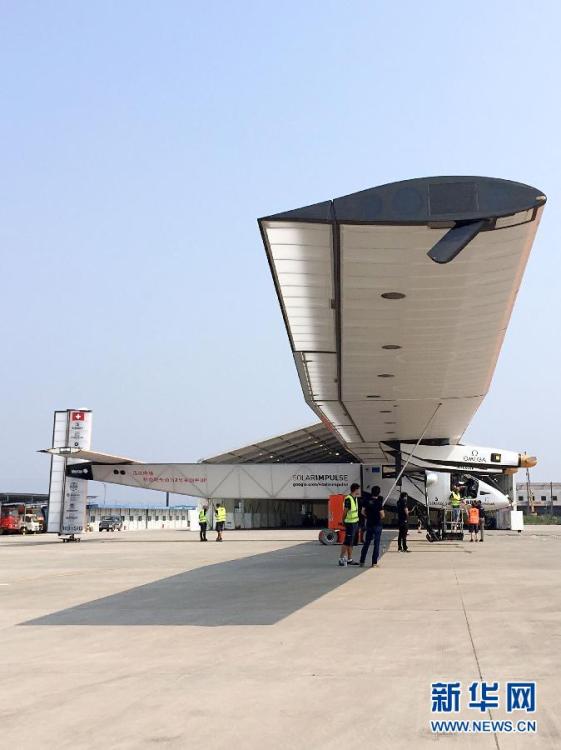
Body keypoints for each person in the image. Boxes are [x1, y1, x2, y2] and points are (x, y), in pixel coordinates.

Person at [359, 485, 384, 567]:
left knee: (367, 543)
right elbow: (382, 515)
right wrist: (377, 517)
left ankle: (362, 561)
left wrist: (368, 516)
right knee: (376, 544)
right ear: (378, 493)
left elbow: (362, 512)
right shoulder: (379, 503)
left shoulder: (366, 501)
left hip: (369, 524)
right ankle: (374, 563)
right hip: (377, 524)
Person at [338, 483, 361, 567]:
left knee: (351, 542)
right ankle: (341, 558)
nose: (359, 491)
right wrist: (343, 521)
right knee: (347, 542)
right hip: (350, 523)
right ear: (356, 489)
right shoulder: (348, 499)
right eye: (359, 489)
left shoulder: (355, 498)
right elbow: (345, 511)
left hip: (355, 523)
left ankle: (350, 559)